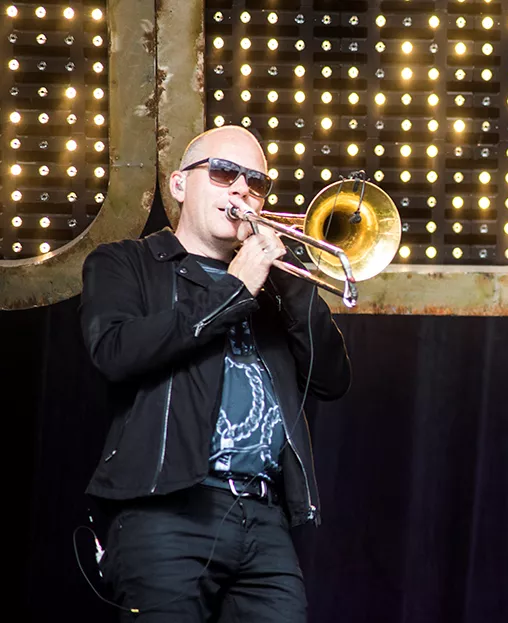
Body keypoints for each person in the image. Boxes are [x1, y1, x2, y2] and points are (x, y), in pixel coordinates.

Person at [80, 126, 351, 622]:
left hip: (263, 518)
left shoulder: (272, 288)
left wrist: (291, 283)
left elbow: (333, 380)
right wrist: (234, 290)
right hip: (165, 508)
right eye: (225, 173)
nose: (242, 190)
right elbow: (115, 352)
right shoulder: (126, 263)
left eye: (257, 182)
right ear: (180, 184)